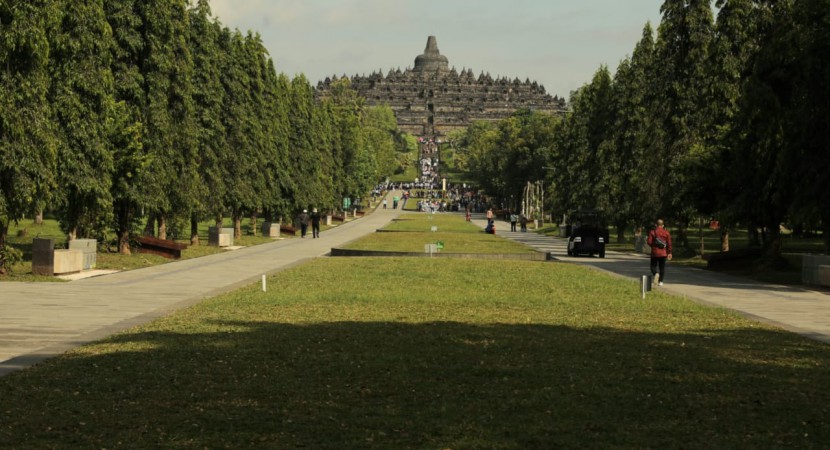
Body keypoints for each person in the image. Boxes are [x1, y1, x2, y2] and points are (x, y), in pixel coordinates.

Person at [647, 218, 673, 286]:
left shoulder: (652, 232)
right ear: (663, 225)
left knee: (653, 266)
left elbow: (649, 242)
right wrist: (669, 252)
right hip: (663, 253)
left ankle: (656, 274)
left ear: (656, 225)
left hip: (654, 253)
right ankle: (661, 281)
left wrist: (653, 246)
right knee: (662, 267)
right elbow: (669, 243)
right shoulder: (667, 233)